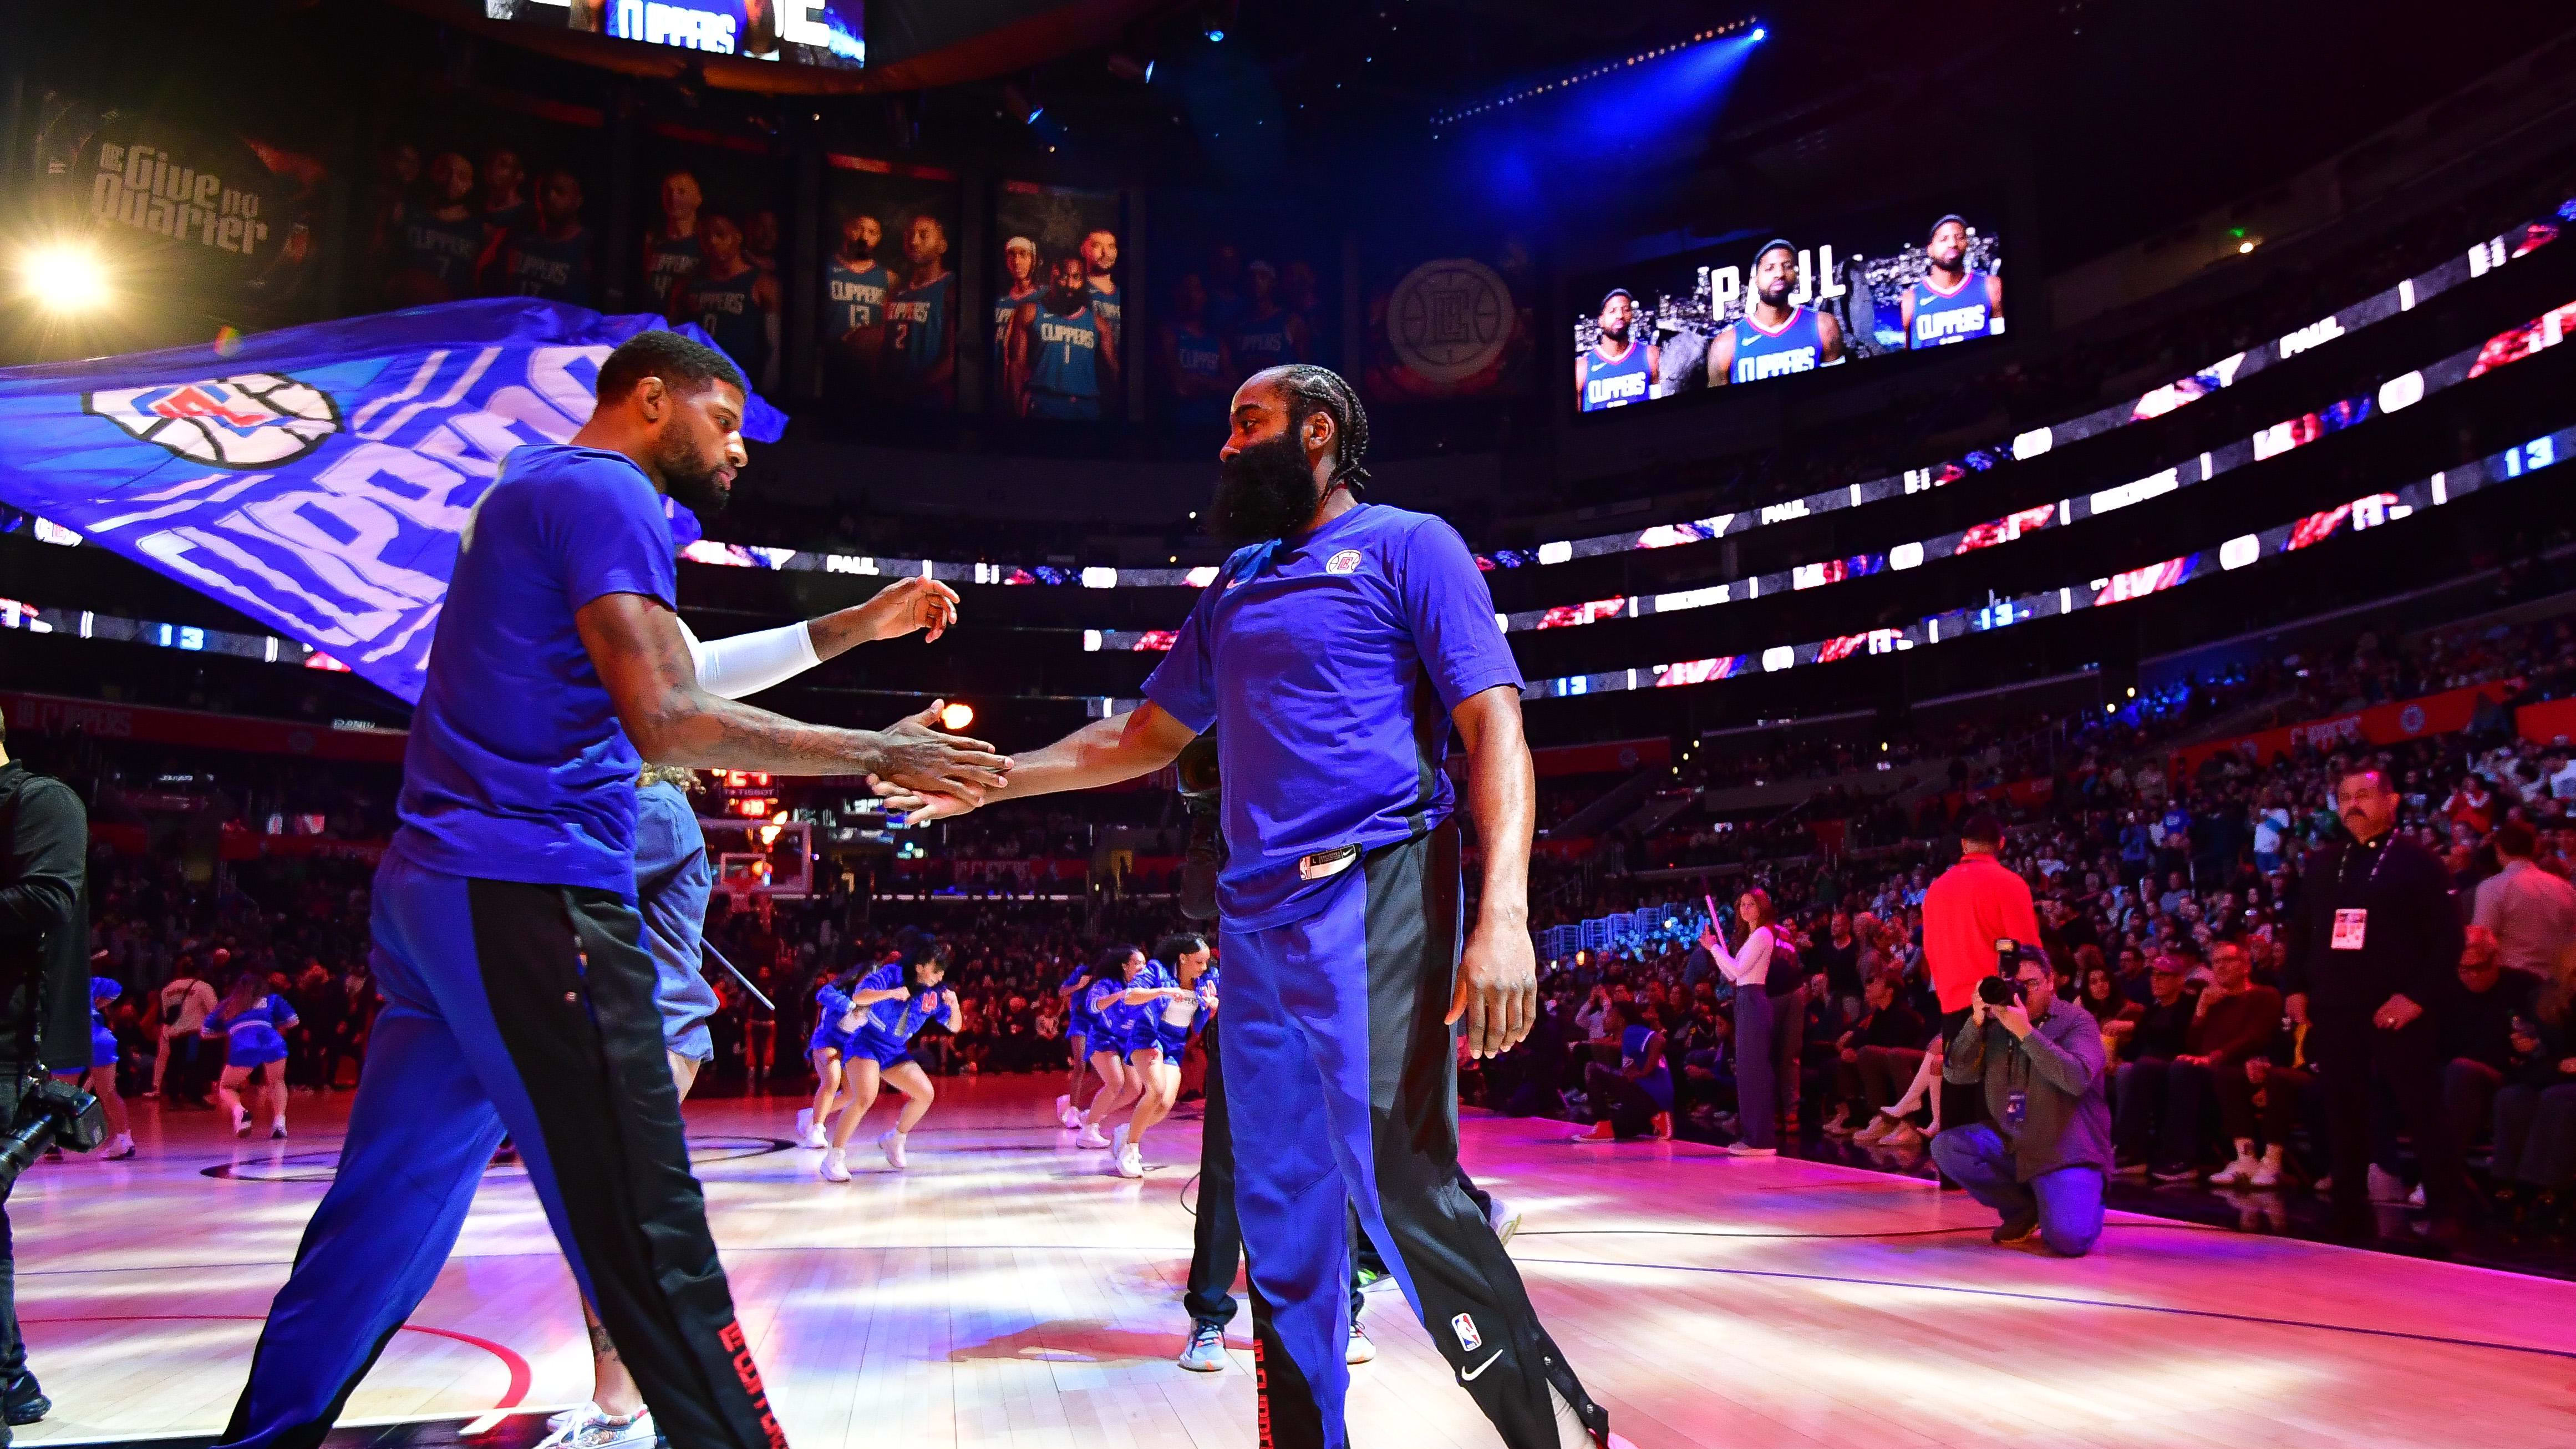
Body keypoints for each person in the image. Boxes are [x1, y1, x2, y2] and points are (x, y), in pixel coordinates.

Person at [210, 329, 1009, 1449]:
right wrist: (879, 753)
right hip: (527, 886)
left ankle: (265, 1438)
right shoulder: (613, 495)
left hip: (434, 890)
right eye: (724, 422)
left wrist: (855, 626)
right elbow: (671, 714)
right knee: (647, 1219)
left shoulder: (534, 488)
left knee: (383, 1214)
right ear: (650, 401)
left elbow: (690, 672)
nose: (738, 452)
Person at [875, 363, 1620, 1449]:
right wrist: (986, 776)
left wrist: (1503, 913)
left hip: (1376, 886)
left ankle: (1562, 1433)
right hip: (1253, 924)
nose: (1226, 446)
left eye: (1248, 423)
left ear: (1317, 432)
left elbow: (1493, 724)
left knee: (1404, 1193)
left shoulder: (1414, 545)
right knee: (1277, 1219)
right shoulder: (1238, 581)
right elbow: (1137, 740)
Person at [2283, 767, 2474, 1245]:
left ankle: (2446, 1206)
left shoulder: (2418, 862)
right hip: (2335, 1005)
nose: (2352, 804)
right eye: (2344, 796)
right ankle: (2347, 1205)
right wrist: (2294, 985)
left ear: (2392, 801)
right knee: (2341, 1106)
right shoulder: (2325, 861)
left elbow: (2447, 940)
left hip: (2397, 1005)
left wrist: (2416, 997)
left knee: (2420, 1106)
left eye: (2363, 795)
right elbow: (2301, 929)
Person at [0, 708, 92, 1431]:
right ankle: (11, 1384)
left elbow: (48, 901)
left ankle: (9, 1384)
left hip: (7, 1050)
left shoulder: (42, 802)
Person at [1929, 950, 2112, 1257]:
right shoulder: (1996, 1021)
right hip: (2015, 1142)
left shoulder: (2078, 1021)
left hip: (2065, 1149)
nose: (2022, 993)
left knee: (2068, 1241)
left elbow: (2077, 1077)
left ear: (2051, 981)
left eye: (2032, 984)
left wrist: (2025, 1032)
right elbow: (1956, 1074)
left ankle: (2086, 1193)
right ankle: (2024, 1209)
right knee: (1948, 1147)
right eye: (2014, 984)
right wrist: (1975, 1022)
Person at [1922, 813, 2042, 1129]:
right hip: (1997, 1001)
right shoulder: (2010, 884)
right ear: (2001, 843)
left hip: (1951, 1000)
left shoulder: (1936, 890)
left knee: (1957, 1086)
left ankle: (1954, 1173)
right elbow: (2026, 948)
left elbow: (1930, 949)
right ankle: (1995, 1173)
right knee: (1998, 1093)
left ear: (1963, 845)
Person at [820, 931, 959, 1181]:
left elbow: (955, 1026)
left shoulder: (936, 994)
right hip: (866, 1044)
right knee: (864, 1097)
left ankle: (896, 1139)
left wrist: (955, 1005)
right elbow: (859, 996)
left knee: (926, 1093)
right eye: (937, 971)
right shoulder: (890, 975)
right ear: (920, 967)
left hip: (895, 1052)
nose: (941, 977)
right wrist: (891, 994)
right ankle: (834, 1157)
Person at [1698, 890, 1784, 1156]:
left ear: (1762, 908)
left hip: (1753, 1000)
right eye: (1743, 904)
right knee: (1747, 1071)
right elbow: (1732, 974)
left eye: (1751, 904)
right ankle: (1754, 1136)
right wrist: (1714, 950)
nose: (1746, 908)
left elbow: (1736, 971)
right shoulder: (1752, 936)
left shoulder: (1762, 935)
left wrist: (1714, 948)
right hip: (1747, 998)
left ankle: (1760, 1139)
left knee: (1754, 1071)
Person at [669, 213, 780, 393]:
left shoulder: (762, 284)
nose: (713, 242)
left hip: (741, 383)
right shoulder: (687, 285)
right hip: (695, 381)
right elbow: (671, 334)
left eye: (721, 235)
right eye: (706, 237)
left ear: (738, 236)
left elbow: (774, 346)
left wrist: (767, 389)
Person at [1709, 240, 1843, 385]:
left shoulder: (1824, 326)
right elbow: (1720, 407)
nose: (1780, 274)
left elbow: (1838, 394)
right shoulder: (1725, 345)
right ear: (1755, 279)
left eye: (1788, 266)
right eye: (1769, 268)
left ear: (1796, 274)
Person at [1007, 254, 1116, 420]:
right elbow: (1016, 365)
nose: (1070, 285)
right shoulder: (1029, 313)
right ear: (1053, 275)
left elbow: (1113, 368)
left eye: (1077, 278)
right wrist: (1015, 415)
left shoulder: (1099, 324)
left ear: (1084, 280)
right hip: (1043, 406)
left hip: (1086, 409)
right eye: (1064, 277)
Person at [1824, 971, 1926, 1136]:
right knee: (1838, 1062)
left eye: (1877, 982)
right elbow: (1868, 1039)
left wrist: (1862, 1053)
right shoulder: (1878, 1015)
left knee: (1866, 1054)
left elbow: (1897, 1046)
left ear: (1890, 990)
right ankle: (1851, 1114)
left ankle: (1892, 1119)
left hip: (1900, 1062)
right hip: (1877, 1060)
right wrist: (1852, 1051)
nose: (1869, 986)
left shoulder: (1904, 1015)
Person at [2472, 820, 2576, 979]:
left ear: (2498, 848)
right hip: (2558, 980)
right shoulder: (2564, 887)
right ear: (2534, 848)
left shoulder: (2492, 888)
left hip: (2513, 980)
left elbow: (2481, 940)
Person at [203, 970, 299, 1139]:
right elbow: (293, 1021)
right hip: (271, 1038)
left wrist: (230, 1030)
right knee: (277, 1081)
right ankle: (279, 1123)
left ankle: (241, 1111)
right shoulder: (272, 999)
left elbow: (206, 1031)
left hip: (243, 1042)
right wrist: (270, 1023)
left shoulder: (228, 1004)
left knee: (227, 1086)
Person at [489, 169, 596, 306]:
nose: (551, 197)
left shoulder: (588, 246)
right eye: (546, 191)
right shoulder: (523, 240)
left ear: (578, 200)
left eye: (560, 192)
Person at [58, 974, 135, 1160]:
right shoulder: (85, 981)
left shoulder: (47, 985)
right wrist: (95, 1006)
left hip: (69, 1039)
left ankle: (55, 1142)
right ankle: (125, 1140)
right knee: (108, 1092)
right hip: (99, 1037)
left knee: (61, 1093)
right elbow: (116, 988)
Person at [1900, 214, 2004, 348]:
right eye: (1944, 239)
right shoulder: (1910, 300)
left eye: (1960, 237)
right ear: (1930, 249)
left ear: (1967, 243)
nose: (1953, 244)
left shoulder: (1991, 287)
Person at [884, 214, 956, 407]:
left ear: (942, 245)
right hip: (889, 402)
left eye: (923, 235)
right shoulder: (898, 290)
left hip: (929, 405)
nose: (914, 242)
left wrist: (910, 390)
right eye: (910, 235)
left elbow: (955, 358)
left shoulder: (951, 288)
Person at [1573, 1001, 1671, 1141]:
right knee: (1619, 1128)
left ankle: (1603, 1127)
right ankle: (1655, 1121)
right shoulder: (1630, 1038)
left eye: (1609, 1015)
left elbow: (1659, 1040)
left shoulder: (1631, 1031)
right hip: (1650, 1101)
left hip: (1650, 1095)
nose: (1605, 1019)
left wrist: (1644, 1071)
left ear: (1621, 1020)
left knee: (1592, 1069)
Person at [825, 212, 890, 388]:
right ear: (847, 229)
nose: (864, 237)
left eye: (872, 232)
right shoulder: (826, 269)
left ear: (879, 238)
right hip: (830, 363)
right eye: (858, 229)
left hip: (869, 369)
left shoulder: (889, 278)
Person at [151, 953, 218, 1104]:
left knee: (174, 1064)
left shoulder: (167, 989)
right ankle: (194, 1095)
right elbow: (214, 1011)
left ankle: (174, 1097)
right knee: (195, 1065)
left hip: (174, 1034)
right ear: (198, 971)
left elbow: (166, 1013)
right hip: (194, 1034)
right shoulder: (203, 987)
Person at [1576, 289, 1657, 412]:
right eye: (1612, 311)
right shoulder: (1582, 368)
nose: (1620, 315)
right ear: (1601, 321)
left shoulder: (1651, 356)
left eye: (1626, 309)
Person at [640, 169, 703, 316]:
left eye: (682, 192)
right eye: (669, 191)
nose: (674, 197)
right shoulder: (652, 242)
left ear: (698, 199)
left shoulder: (705, 244)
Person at [990, 235, 1040, 374]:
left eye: (1023, 255)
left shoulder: (1043, 297)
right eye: (1012, 255)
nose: (1017, 262)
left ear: (1033, 260)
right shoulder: (1000, 300)